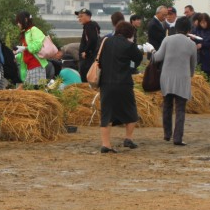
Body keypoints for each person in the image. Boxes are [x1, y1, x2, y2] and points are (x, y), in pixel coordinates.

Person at [96, 21, 143, 153]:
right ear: (130, 33)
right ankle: (128, 138)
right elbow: (138, 59)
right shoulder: (129, 45)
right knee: (131, 110)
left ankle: (106, 144)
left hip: (105, 83)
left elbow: (97, 58)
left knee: (106, 113)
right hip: (123, 83)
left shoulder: (105, 41)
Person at [153, 15, 197, 146]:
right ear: (189, 29)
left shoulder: (167, 39)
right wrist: (190, 74)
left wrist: (151, 51)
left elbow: (157, 57)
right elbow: (193, 65)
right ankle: (178, 138)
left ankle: (167, 134)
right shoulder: (192, 44)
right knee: (180, 109)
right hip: (182, 78)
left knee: (167, 106)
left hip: (166, 77)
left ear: (176, 27)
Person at [14, 11, 48, 87]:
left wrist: (25, 48)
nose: (18, 24)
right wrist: (17, 57)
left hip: (36, 65)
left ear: (25, 20)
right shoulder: (26, 32)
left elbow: (37, 45)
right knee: (30, 91)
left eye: (19, 21)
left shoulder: (34, 30)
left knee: (35, 91)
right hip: (29, 67)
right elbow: (26, 52)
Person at [76, 8, 101, 81]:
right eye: (78, 17)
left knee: (85, 79)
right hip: (92, 57)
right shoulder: (92, 25)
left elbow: (92, 40)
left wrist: (86, 52)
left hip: (87, 59)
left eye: (81, 16)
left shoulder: (89, 26)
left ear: (88, 16)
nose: (79, 18)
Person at [193, 12, 210, 77]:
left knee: (209, 75)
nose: (203, 24)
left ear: (208, 21)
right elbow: (194, 39)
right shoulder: (197, 30)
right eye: (201, 23)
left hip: (209, 57)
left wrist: (202, 45)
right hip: (199, 57)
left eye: (204, 22)